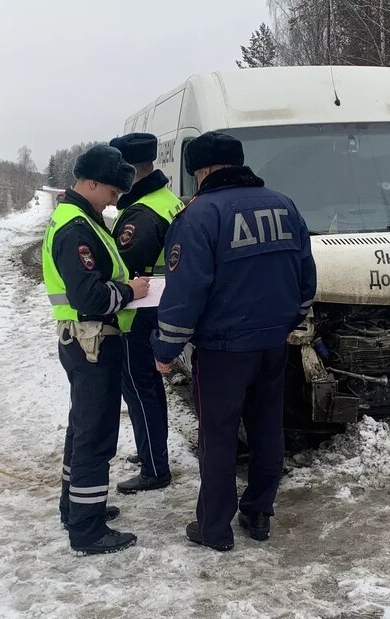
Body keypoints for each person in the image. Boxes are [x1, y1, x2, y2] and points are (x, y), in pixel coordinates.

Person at [152, 132, 317, 552]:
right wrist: (288, 320)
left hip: (224, 349)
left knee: (219, 436)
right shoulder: (284, 205)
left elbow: (185, 292)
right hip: (273, 342)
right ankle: (259, 512)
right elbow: (305, 276)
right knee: (266, 428)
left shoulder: (200, 215)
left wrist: (166, 350)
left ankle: (214, 528)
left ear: (202, 171)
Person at [42, 144, 149, 555]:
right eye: (111, 192)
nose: (115, 200)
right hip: (92, 341)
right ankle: (87, 531)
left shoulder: (82, 218)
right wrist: (130, 290)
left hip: (86, 340)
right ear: (89, 183)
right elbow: (88, 295)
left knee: (82, 429)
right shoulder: (76, 228)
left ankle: (76, 508)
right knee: (95, 435)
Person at [108, 132, 183, 495]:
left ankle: (155, 466)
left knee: (140, 389)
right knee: (149, 387)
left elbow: (121, 266)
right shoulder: (166, 200)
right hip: (162, 307)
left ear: (126, 171)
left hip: (139, 312)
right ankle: (150, 450)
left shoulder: (142, 213)